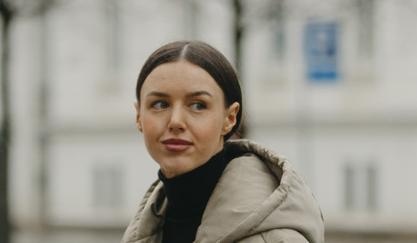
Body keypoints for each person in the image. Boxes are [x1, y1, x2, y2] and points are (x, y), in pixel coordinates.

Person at [123, 41, 324, 243]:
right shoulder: (143, 231)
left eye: (198, 105)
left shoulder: (275, 238)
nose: (176, 121)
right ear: (139, 116)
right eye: (160, 104)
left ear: (230, 118)